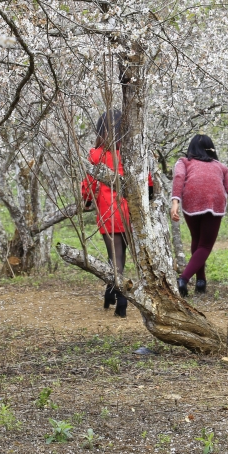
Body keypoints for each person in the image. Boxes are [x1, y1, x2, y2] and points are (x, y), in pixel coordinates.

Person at [80, 110, 152, 318]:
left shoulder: (96, 154)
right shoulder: (131, 153)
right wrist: (149, 192)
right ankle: (112, 291)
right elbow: (146, 178)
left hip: (107, 209)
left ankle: (118, 296)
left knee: (115, 256)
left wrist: (86, 201)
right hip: (130, 209)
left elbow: (90, 183)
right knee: (122, 255)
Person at [169, 135, 228, 296]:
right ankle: (184, 279)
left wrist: (175, 201)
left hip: (191, 200)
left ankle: (201, 281)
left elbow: (179, 177)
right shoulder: (221, 167)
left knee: (197, 240)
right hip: (214, 202)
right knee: (204, 245)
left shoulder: (184, 162)